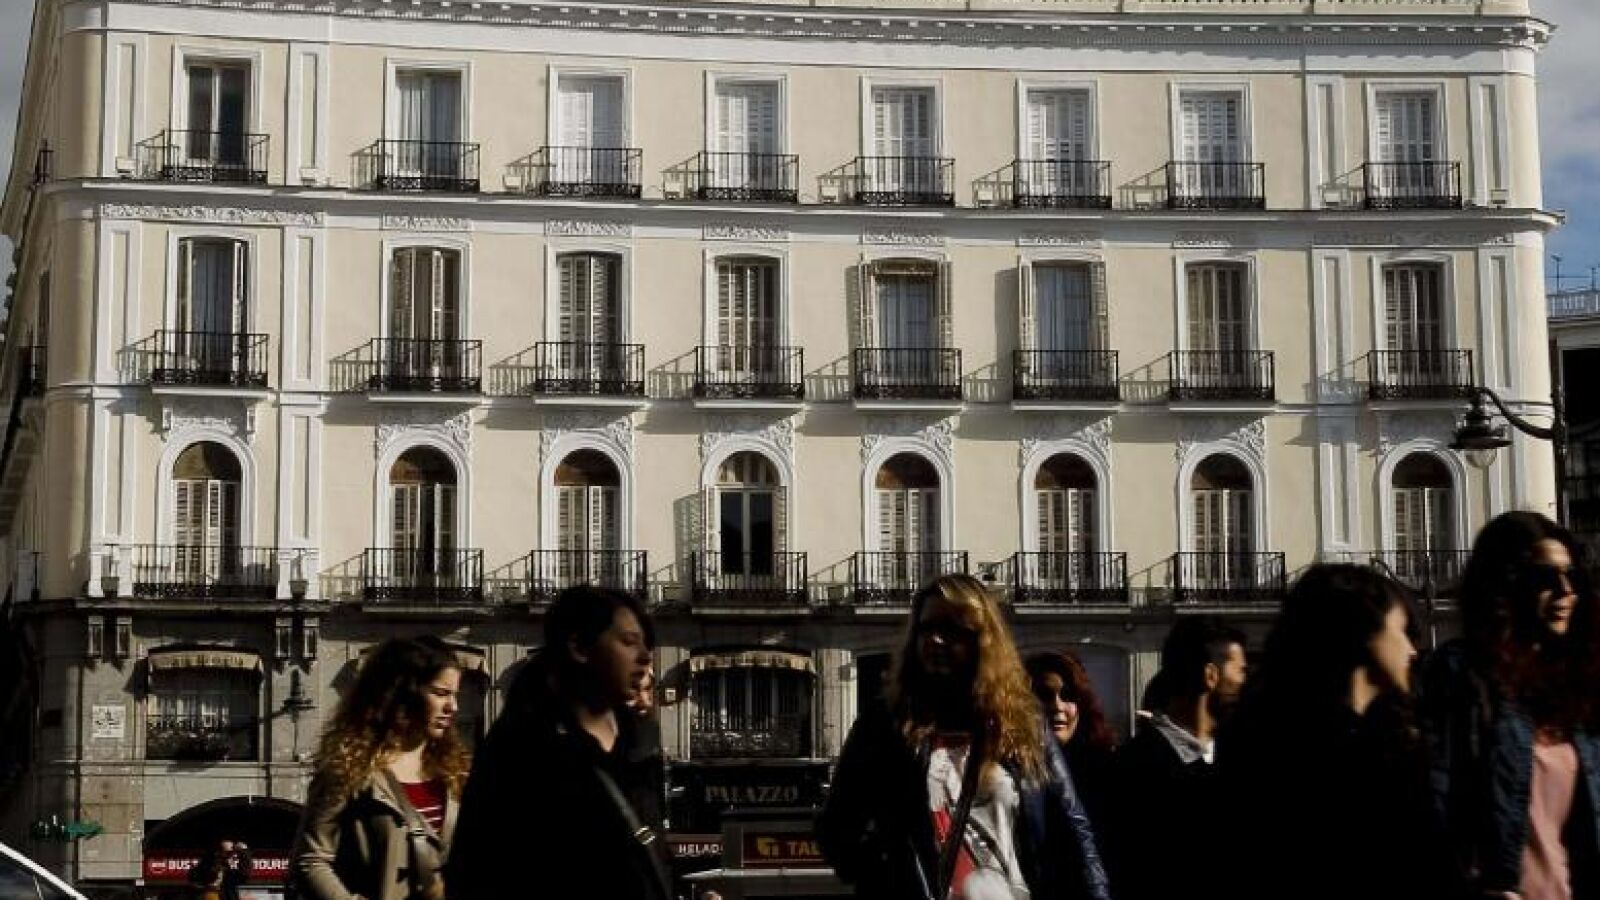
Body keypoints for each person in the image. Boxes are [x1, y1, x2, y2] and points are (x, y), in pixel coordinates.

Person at [817, 573, 1111, 900]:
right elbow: (835, 832)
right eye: (926, 628)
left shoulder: (1025, 724)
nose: (935, 640)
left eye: (951, 629)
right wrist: (892, 871)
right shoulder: (885, 724)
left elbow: (1076, 835)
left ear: (982, 639)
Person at [1218, 563, 1458, 900]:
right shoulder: (1320, 751)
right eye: (1401, 630)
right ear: (1364, 632)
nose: (1411, 649)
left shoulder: (1389, 736)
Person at [1420, 511, 1600, 900]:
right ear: (1505, 585)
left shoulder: (1574, 688)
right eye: (1544, 578)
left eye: (1571, 575)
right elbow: (1436, 805)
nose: (1565, 590)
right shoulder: (1462, 674)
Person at [447, 585, 668, 900]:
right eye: (629, 642)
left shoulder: (641, 742)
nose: (645, 657)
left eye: (646, 644)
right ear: (579, 647)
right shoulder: (519, 751)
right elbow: (476, 872)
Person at [290, 636, 467, 900]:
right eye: (440, 694)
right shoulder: (348, 767)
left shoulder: (456, 772)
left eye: (455, 695)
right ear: (402, 694)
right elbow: (311, 860)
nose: (453, 707)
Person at [1100, 617, 1246, 900]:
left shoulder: (1236, 759)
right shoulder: (1135, 770)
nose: (1244, 682)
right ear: (1210, 675)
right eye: (1240, 670)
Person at [1024, 651, 1117, 830]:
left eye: (1068, 696)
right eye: (1044, 695)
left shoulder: (1107, 771)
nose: (1057, 706)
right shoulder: (1013, 772)